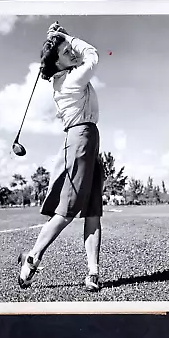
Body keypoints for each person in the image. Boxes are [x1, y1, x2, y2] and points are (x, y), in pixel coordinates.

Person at [18, 22, 104, 292]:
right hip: (80, 140)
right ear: (57, 63)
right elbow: (92, 55)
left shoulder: (66, 74)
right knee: (68, 210)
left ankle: (93, 273)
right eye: (67, 53)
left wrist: (58, 37)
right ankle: (32, 259)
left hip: (89, 140)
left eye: (70, 51)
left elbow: (78, 56)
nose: (73, 54)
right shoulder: (70, 79)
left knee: (93, 211)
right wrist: (66, 36)